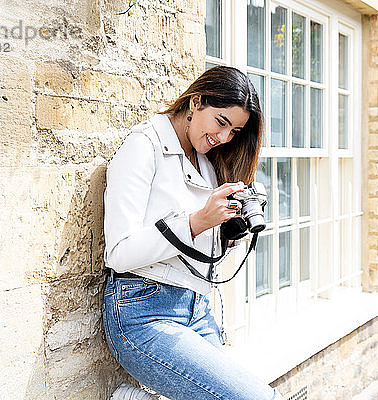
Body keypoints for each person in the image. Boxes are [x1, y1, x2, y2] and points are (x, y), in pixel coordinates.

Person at [102, 66, 284, 400]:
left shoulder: (210, 163)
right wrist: (197, 221)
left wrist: (229, 231)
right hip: (143, 313)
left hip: (198, 308)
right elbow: (119, 252)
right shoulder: (143, 147)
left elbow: (195, 248)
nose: (224, 138)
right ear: (196, 101)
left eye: (235, 131)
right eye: (221, 122)